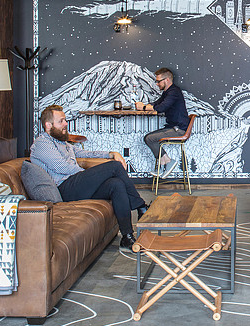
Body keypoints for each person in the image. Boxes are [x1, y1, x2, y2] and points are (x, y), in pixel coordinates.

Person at [30, 104, 149, 249]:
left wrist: (110, 154)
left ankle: (127, 236)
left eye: (65, 120)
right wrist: (90, 176)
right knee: (115, 167)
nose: (66, 124)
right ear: (48, 125)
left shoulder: (61, 142)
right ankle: (141, 207)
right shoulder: (42, 143)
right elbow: (62, 167)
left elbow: (84, 154)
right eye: (61, 121)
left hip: (75, 185)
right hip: (64, 189)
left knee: (116, 184)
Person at [138, 67, 190, 176]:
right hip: (173, 127)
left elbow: (161, 107)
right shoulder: (168, 92)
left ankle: (166, 163)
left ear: (166, 80)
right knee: (149, 138)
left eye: (158, 81)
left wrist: (143, 108)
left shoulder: (174, 92)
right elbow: (157, 103)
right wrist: (146, 106)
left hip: (178, 129)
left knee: (149, 138)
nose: (157, 84)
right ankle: (166, 163)